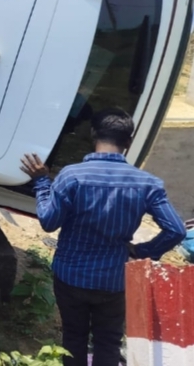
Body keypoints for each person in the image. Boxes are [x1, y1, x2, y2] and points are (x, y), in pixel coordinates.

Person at [20, 108, 187, 366]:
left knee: (73, 337)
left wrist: (42, 183)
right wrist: (143, 251)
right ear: (128, 142)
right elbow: (176, 229)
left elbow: (48, 222)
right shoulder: (148, 184)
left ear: (93, 134)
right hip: (114, 280)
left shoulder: (71, 176)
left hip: (70, 276)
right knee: (108, 342)